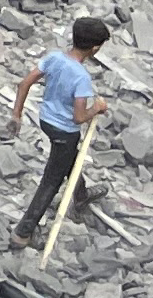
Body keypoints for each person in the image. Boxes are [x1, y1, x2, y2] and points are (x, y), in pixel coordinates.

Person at [12, 15, 116, 246]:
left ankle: (80, 195)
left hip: (46, 120)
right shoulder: (81, 77)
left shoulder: (55, 58)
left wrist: (17, 114)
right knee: (52, 180)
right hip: (64, 131)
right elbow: (79, 117)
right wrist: (97, 108)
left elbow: (24, 83)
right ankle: (23, 232)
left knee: (71, 159)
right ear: (95, 48)